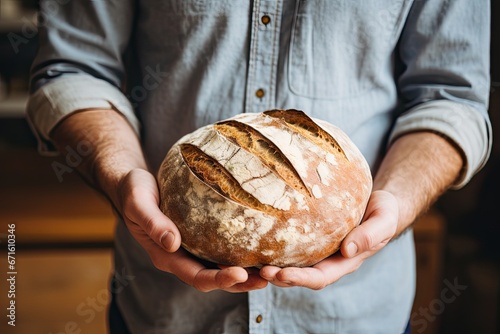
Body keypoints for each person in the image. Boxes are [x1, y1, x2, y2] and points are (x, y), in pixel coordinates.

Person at [26, 1, 491, 333]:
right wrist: (122, 176)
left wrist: (396, 203)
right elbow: (73, 69)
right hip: (165, 312)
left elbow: (451, 98)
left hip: (358, 315)